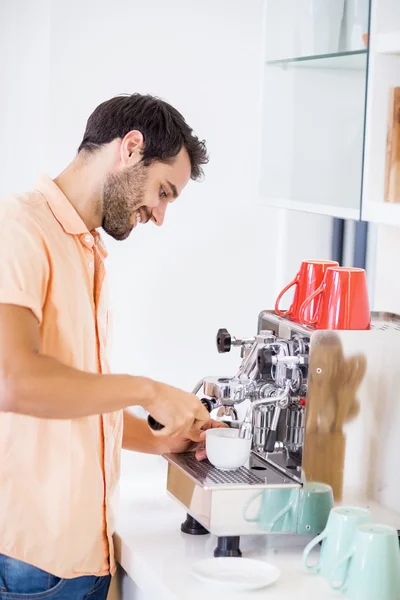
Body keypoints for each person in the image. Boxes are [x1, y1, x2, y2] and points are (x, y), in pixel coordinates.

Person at [0, 93, 224, 599]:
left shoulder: (86, 249)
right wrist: (148, 391)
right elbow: (12, 382)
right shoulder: (19, 228)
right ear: (130, 148)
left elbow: (71, 404)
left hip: (82, 560)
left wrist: (164, 441)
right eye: (164, 191)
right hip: (33, 566)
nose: (161, 215)